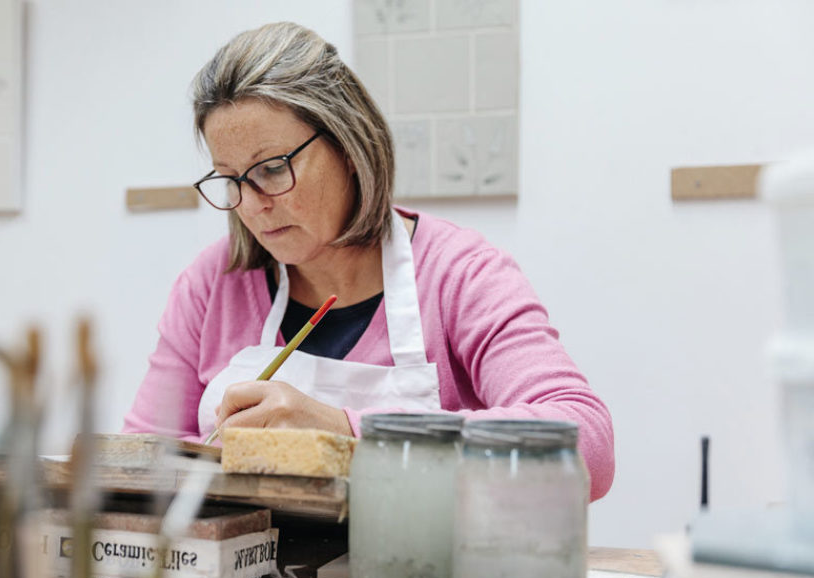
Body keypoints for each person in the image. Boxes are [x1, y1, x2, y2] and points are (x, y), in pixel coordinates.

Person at [124, 22, 614, 501]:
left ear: (349, 147)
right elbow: (137, 464)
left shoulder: (459, 274)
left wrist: (347, 434)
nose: (252, 206)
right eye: (231, 180)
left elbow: (585, 444)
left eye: (272, 169)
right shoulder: (213, 286)